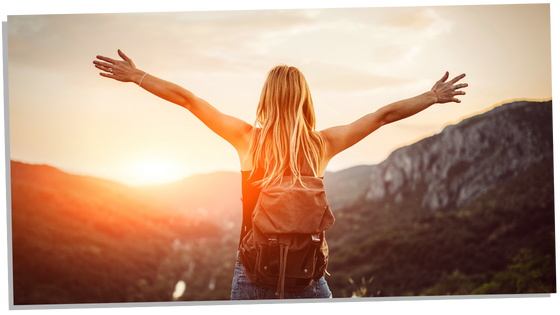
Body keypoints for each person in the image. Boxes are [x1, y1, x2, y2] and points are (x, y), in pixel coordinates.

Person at [93, 49, 468, 300]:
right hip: (308, 276)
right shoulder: (322, 145)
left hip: (252, 274)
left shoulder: (246, 139)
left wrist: (138, 75)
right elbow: (382, 116)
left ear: (265, 99)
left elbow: (189, 100)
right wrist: (431, 96)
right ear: (305, 99)